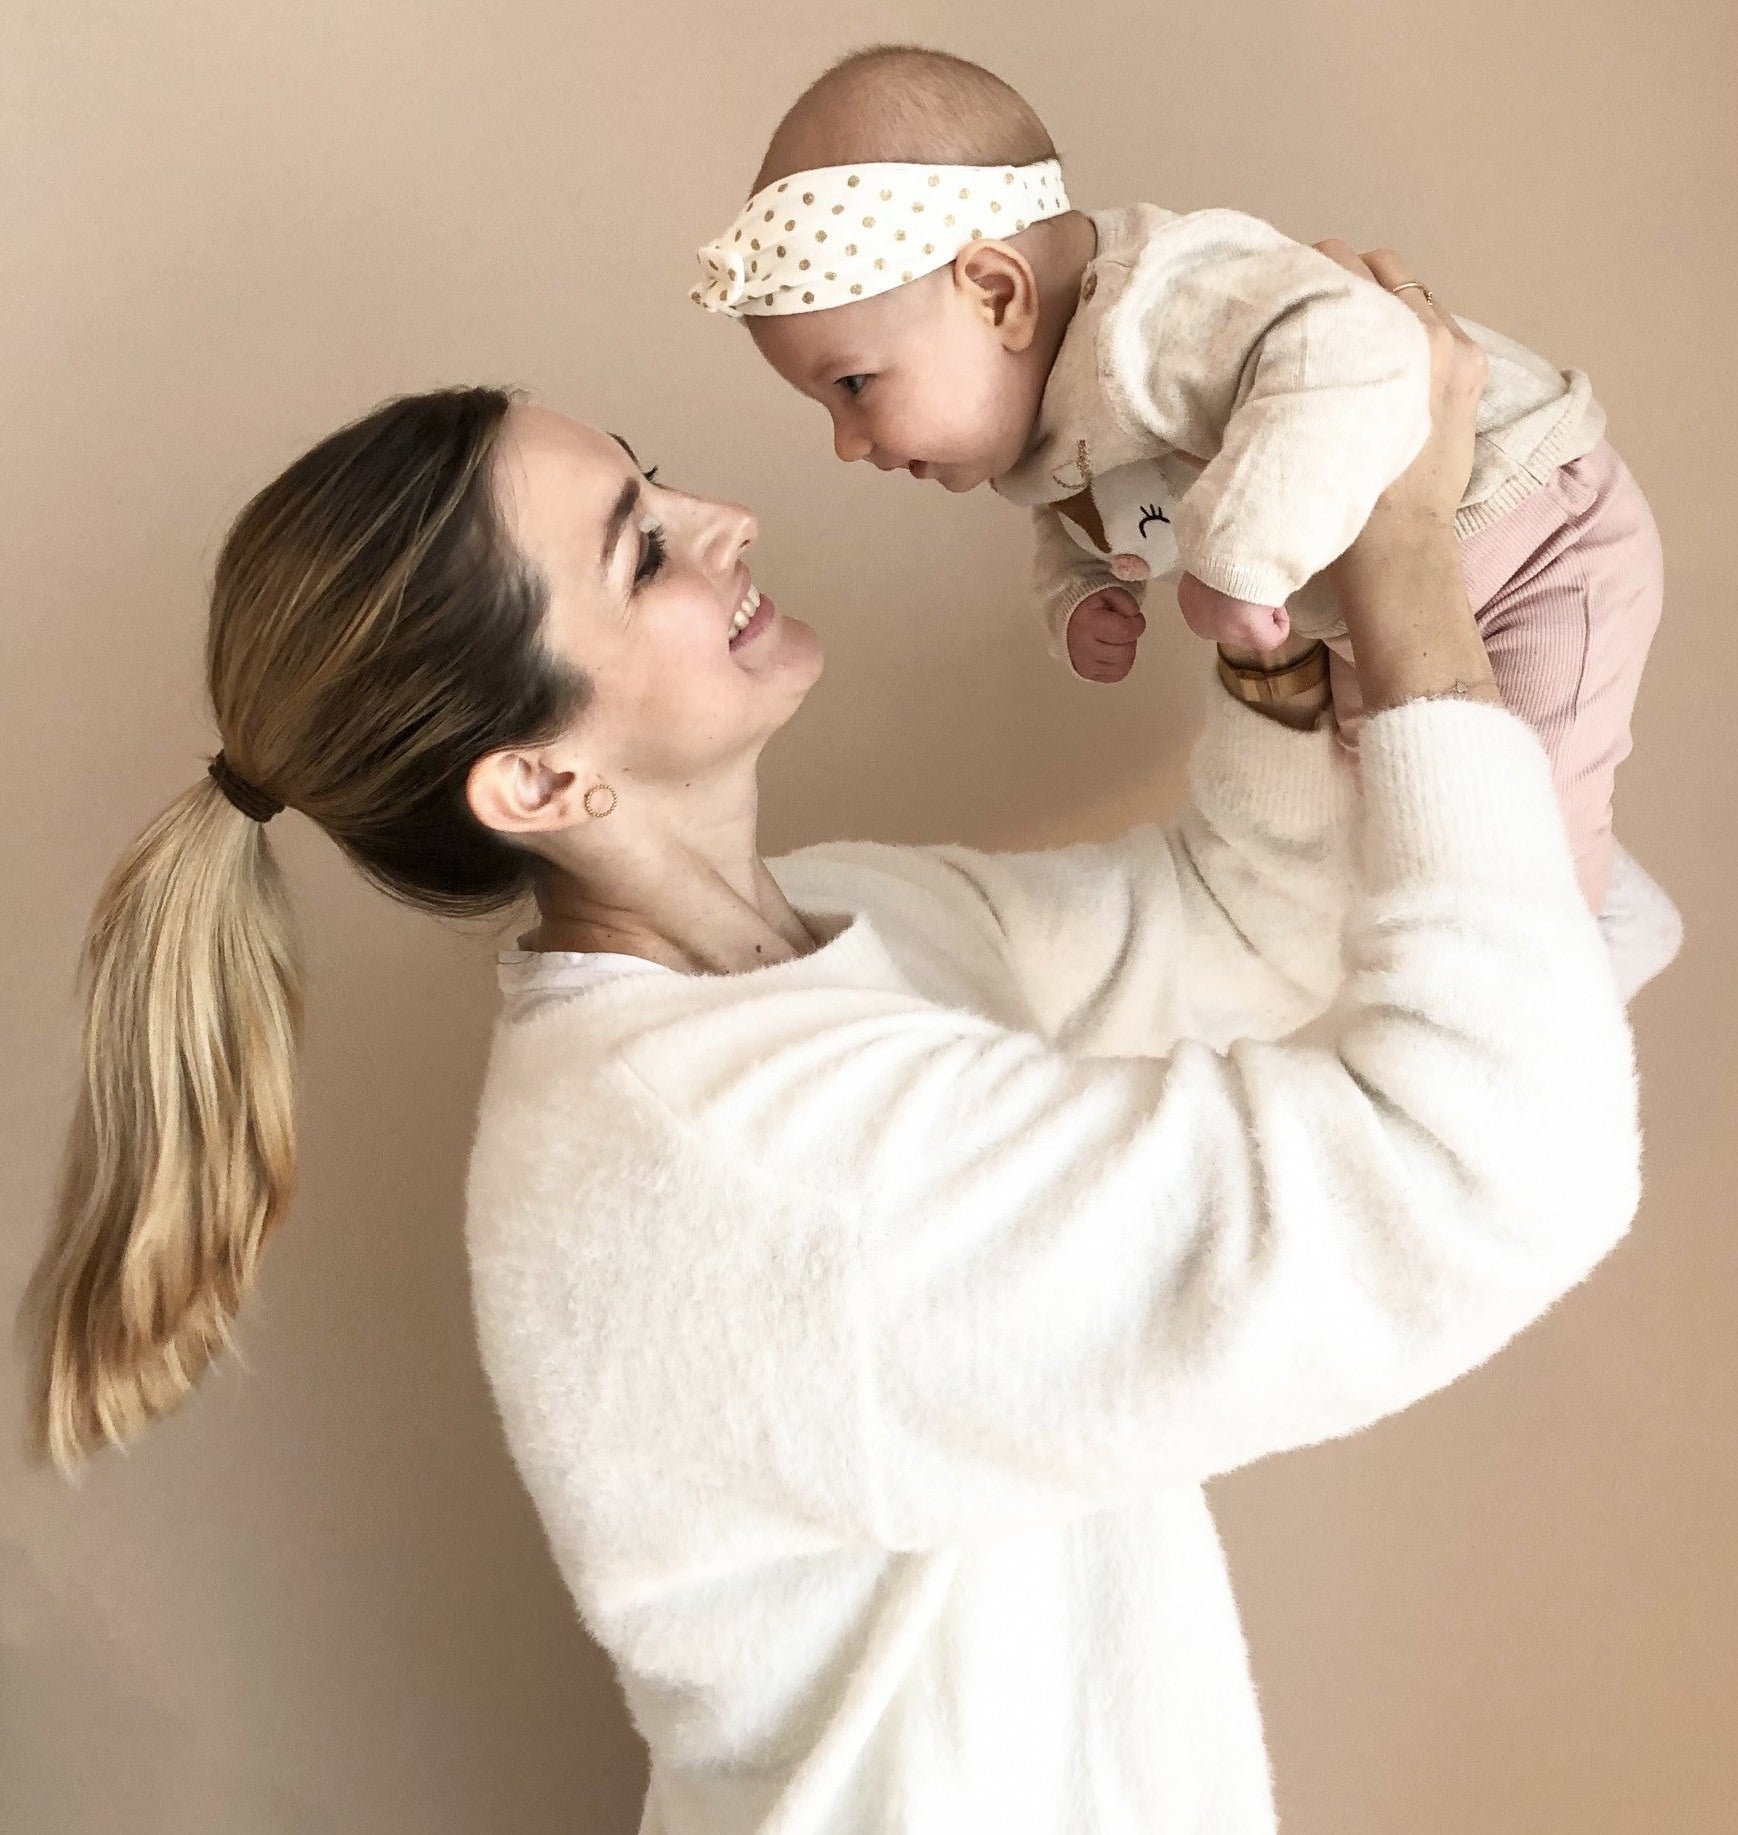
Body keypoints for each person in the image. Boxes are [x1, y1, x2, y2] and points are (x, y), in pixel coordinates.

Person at [27, 247, 1640, 1835]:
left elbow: (1233, 939)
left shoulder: (835, 927)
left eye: (655, 482)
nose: (726, 516)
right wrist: (1405, 568)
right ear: (537, 782)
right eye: (642, 551)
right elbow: (1485, 1173)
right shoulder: (741, 1158)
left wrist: (1276, 630)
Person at [701, 45, 1683, 994]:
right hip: (1374, 610)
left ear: (997, 293)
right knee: (1395, 827)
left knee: (1510, 850)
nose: (848, 442)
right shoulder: (1040, 422)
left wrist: (1237, 560)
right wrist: (1077, 598)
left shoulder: (1156, 306)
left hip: (1531, 532)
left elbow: (1359, 345)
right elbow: (1077, 509)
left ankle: (1593, 946)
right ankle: (1602, 912)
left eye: (853, 386)